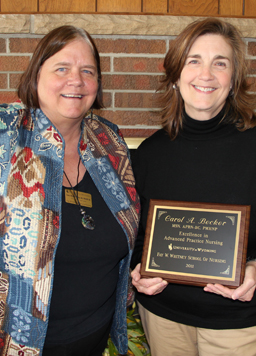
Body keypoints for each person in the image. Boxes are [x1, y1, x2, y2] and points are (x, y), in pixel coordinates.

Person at [0, 25, 140, 356]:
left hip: (97, 337)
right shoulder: (6, 134)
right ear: (36, 76)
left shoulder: (109, 142)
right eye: (61, 68)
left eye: (86, 71)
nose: (75, 80)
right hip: (18, 344)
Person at [130, 17, 256, 356]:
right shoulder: (150, 154)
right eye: (194, 60)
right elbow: (137, 235)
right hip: (164, 318)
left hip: (238, 323)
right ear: (175, 75)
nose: (206, 74)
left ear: (234, 80)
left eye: (220, 63)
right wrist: (137, 270)